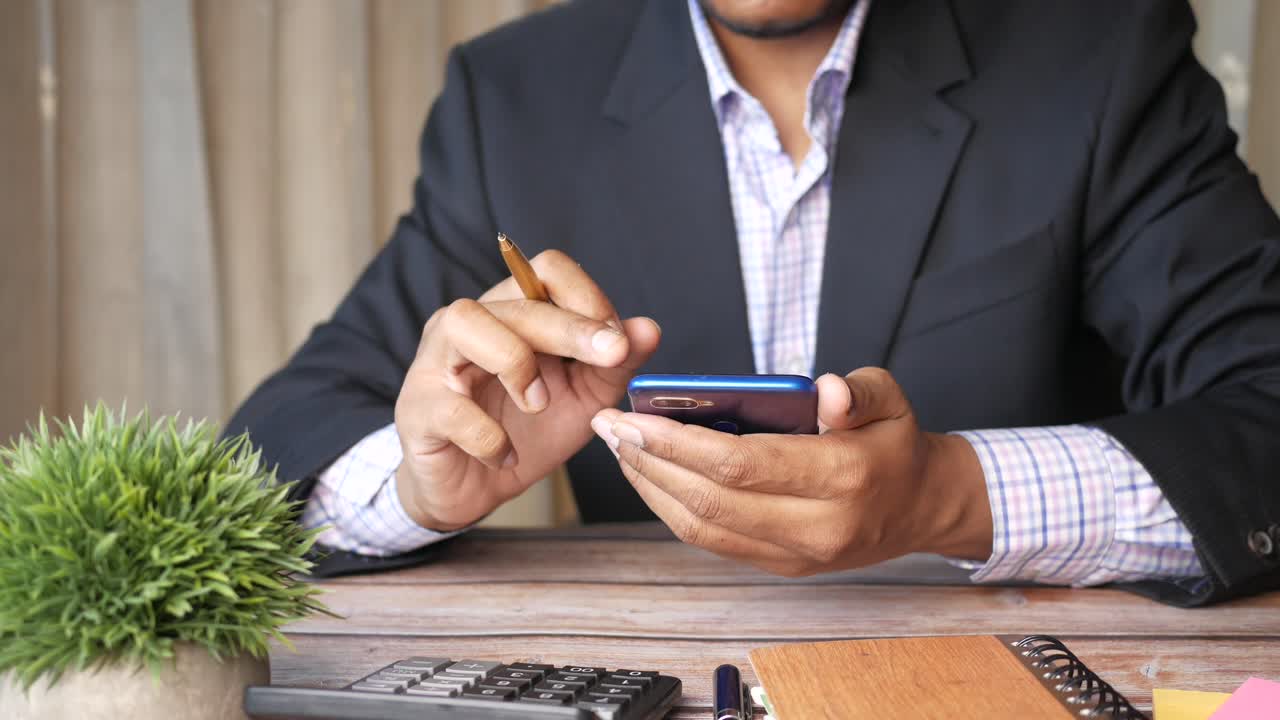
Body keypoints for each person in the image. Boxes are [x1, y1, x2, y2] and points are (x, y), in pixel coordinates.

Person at [225, 0, 1280, 606]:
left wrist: (949, 495)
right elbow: (267, 457)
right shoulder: (514, 98)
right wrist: (423, 485)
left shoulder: (1096, 54)